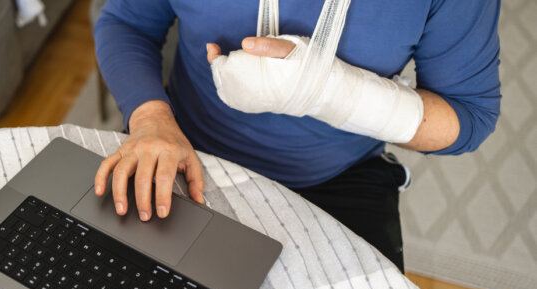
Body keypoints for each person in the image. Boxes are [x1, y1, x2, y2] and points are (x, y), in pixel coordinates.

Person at [92, 0, 501, 272]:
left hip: (337, 177)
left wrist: (329, 92)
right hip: (182, 147)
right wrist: (151, 119)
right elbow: (127, 22)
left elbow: (469, 114)